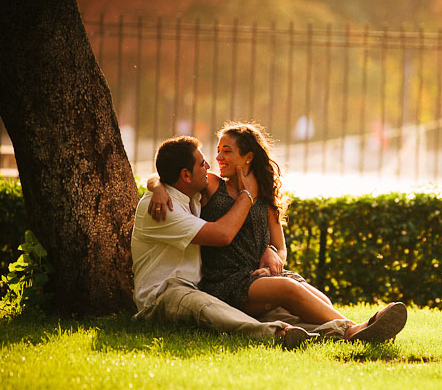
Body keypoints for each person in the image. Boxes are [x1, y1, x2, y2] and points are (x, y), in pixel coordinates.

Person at [148, 122, 407, 342]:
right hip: (225, 282)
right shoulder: (213, 185)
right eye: (218, 151)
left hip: (258, 277)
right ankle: (354, 330)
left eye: (226, 151)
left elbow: (280, 246)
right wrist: (156, 185)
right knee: (288, 289)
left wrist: (274, 253)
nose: (218, 158)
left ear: (248, 156)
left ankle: (346, 332)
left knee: (320, 300)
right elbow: (171, 174)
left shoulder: (265, 195)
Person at [132, 135, 317, 349]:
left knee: (290, 306)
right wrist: (247, 194)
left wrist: (270, 249)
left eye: (225, 151)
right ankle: (278, 334)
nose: (211, 163)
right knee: (206, 305)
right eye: (203, 163)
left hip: (196, 289)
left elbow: (165, 173)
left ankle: (345, 330)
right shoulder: (162, 208)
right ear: (186, 175)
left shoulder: (192, 197)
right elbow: (223, 234)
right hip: (162, 296)